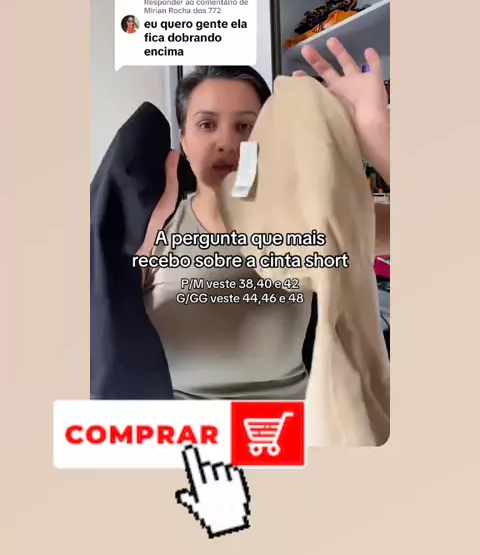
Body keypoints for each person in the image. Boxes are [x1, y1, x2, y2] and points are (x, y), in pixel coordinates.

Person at [140, 37, 390, 401]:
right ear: (184, 139)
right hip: (184, 433)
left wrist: (378, 134)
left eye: (245, 126)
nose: (227, 143)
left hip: (291, 430)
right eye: (207, 124)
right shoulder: (152, 228)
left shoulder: (311, 219)